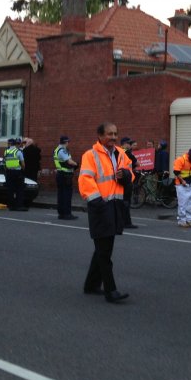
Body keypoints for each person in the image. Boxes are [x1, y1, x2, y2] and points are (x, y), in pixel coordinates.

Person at [79, 122, 133, 303]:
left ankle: (91, 285)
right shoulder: (90, 155)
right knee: (104, 251)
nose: (113, 137)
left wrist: (125, 175)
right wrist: (97, 201)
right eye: (110, 134)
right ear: (100, 135)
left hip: (115, 207)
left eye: (115, 134)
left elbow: (130, 173)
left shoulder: (121, 153)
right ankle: (111, 291)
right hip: (100, 207)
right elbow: (85, 179)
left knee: (103, 249)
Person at [173, 147, 191, 228]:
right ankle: (181, 221)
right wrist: (182, 181)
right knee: (182, 204)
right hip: (181, 185)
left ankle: (188, 219)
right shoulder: (180, 160)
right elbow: (176, 171)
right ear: (189, 155)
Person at [54, 135, 78, 220]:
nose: (68, 143)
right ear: (66, 142)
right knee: (66, 195)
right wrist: (76, 164)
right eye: (68, 142)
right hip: (65, 175)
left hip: (60, 174)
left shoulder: (57, 149)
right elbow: (69, 161)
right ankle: (67, 213)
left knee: (61, 194)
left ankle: (61, 213)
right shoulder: (62, 150)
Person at [119, 137, 139, 229]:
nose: (130, 145)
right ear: (124, 144)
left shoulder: (118, 151)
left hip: (121, 179)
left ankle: (121, 221)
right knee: (126, 202)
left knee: (122, 201)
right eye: (129, 143)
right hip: (127, 180)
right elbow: (137, 163)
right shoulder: (127, 152)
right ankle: (126, 222)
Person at [4, 138, 27, 211]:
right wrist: (22, 170)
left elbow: (5, 163)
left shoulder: (6, 151)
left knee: (10, 190)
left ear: (9, 144)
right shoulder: (18, 152)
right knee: (19, 190)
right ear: (15, 144)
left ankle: (11, 206)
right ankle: (19, 206)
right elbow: (23, 164)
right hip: (17, 173)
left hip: (9, 172)